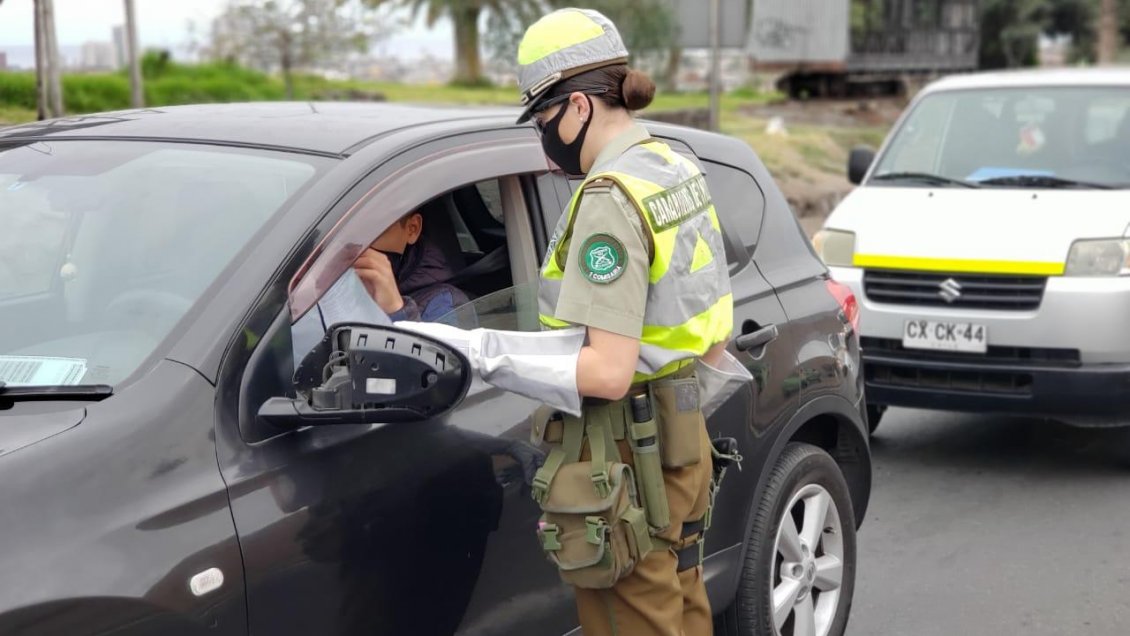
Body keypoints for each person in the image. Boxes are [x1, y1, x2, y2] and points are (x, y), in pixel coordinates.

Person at [514, 8, 734, 636]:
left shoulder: (610, 198)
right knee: (684, 610)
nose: (544, 143)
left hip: (622, 456)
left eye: (543, 122)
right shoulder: (673, 167)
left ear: (579, 106)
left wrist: (485, 356)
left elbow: (608, 373)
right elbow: (713, 331)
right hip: (683, 440)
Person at [353, 209, 471, 323]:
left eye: (376, 229)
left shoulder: (443, 303)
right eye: (354, 231)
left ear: (412, 229)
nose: (361, 243)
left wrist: (396, 310)